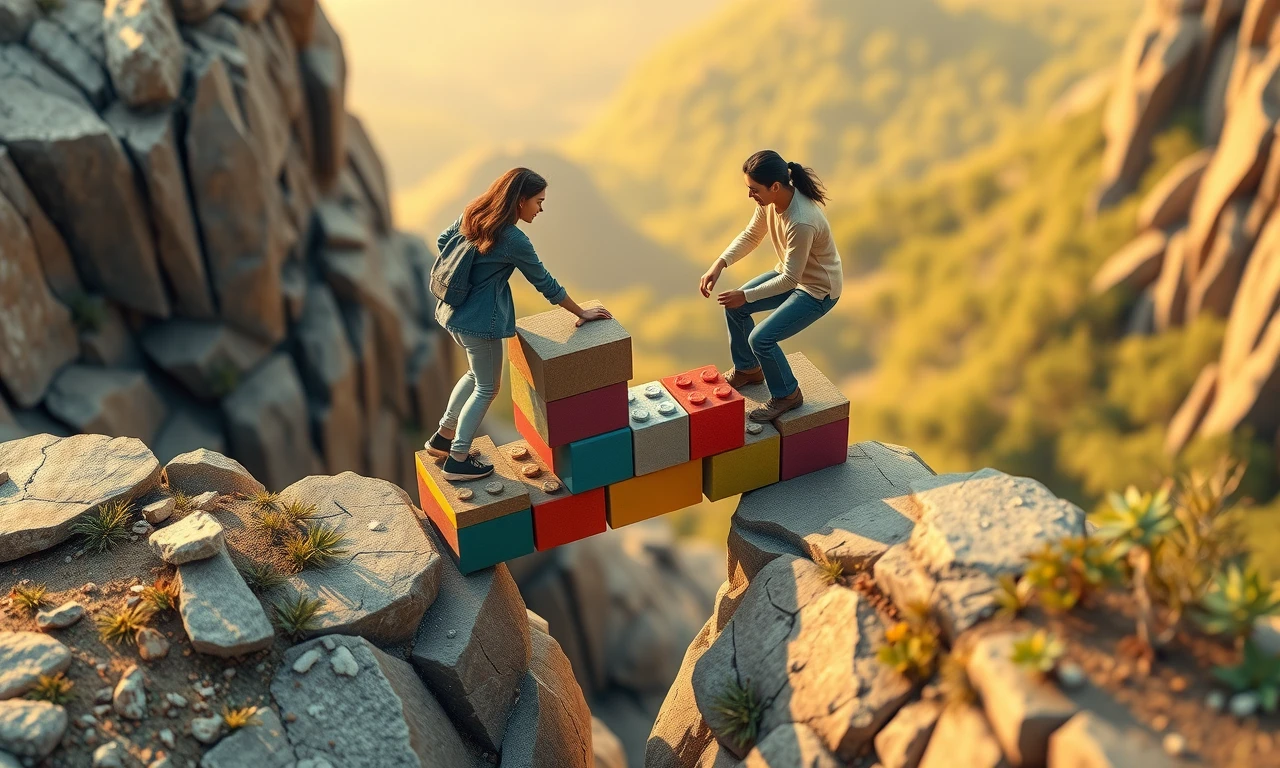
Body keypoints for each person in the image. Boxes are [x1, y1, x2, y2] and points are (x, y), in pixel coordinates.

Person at [426, 167, 612, 481]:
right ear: (520, 200)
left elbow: (444, 241)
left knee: (473, 375)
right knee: (487, 387)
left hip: (452, 312)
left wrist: (469, 275)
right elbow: (546, 284)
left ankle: (442, 438)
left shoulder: (474, 213)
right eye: (538, 201)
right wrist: (581, 312)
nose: (541, 208)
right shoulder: (513, 239)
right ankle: (458, 457)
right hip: (479, 323)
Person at [699, 150, 842, 421]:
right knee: (734, 308)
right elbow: (752, 235)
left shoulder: (801, 221)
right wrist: (720, 263)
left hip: (818, 290)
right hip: (792, 275)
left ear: (774, 187)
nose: (750, 195)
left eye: (754, 189)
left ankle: (788, 394)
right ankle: (748, 370)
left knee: (761, 339)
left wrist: (746, 295)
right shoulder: (770, 202)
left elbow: (791, 279)